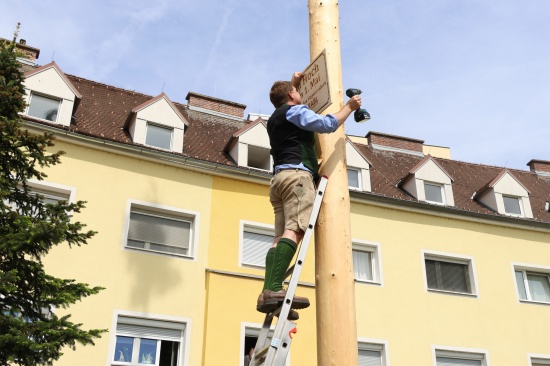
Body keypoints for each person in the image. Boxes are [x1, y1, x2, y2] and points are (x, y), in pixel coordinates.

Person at [256, 72, 362, 318]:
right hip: (298, 179)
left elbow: (289, 99)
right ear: (292, 96)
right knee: (295, 230)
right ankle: (273, 289)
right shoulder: (294, 112)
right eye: (297, 92)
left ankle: (267, 293)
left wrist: (292, 84)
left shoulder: (275, 117)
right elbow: (327, 124)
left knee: (280, 237)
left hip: (279, 180)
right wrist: (349, 107)